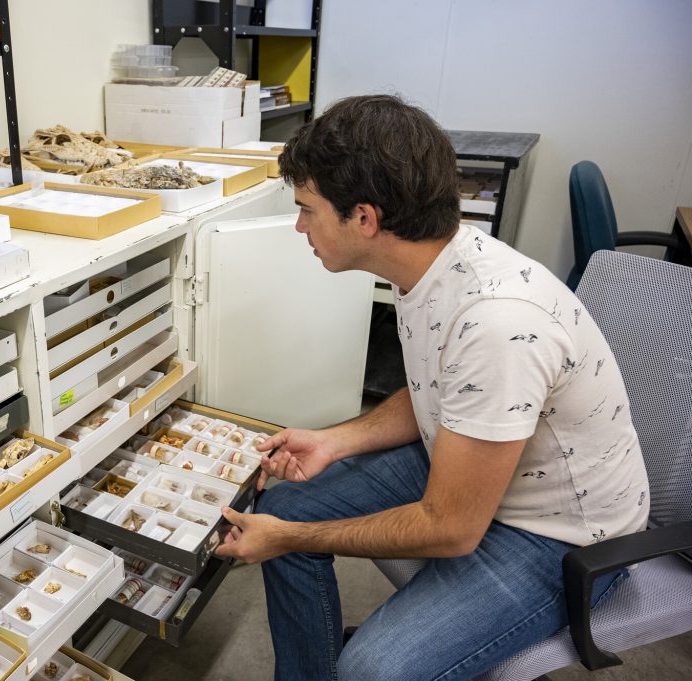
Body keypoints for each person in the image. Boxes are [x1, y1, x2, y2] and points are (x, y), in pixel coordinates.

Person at [214, 94, 650, 681]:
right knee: (284, 500)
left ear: (365, 219)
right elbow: (436, 390)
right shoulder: (429, 264)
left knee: (371, 668)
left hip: (559, 536)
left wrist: (291, 538)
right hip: (480, 466)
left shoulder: (498, 323)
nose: (299, 226)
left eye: (307, 210)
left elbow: (451, 527)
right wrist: (336, 442)